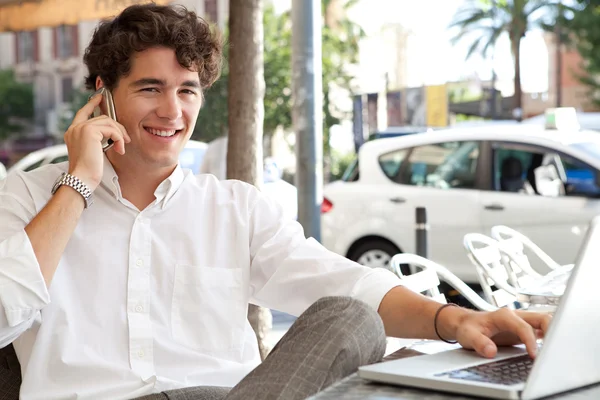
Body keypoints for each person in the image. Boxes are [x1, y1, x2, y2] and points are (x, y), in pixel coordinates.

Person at [0, 4, 551, 400]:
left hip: (230, 396)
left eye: (187, 90)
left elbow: (346, 283)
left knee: (352, 321)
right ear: (103, 93)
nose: (172, 110)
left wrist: (459, 321)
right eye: (150, 88)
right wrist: (78, 185)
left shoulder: (235, 207)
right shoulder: (28, 196)